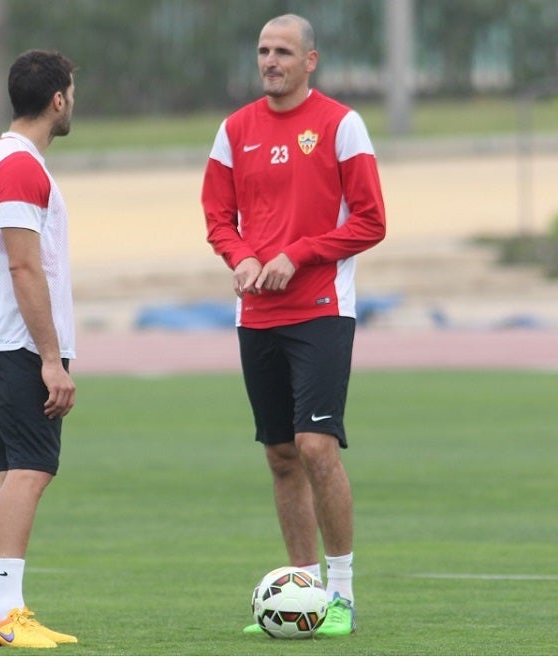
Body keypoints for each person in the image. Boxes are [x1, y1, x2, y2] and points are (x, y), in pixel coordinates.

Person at [201, 14, 386, 637]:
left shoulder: (341, 124)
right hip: (256, 315)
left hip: (321, 309)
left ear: (310, 61)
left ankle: (341, 597)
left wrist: (297, 254)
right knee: (281, 455)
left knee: (315, 446)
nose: (270, 61)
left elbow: (371, 220)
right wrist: (241, 257)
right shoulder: (234, 130)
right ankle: (303, 597)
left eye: (283, 51)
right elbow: (217, 216)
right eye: (263, 50)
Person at [0, 49, 79, 649]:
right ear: (58, 99)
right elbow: (24, 266)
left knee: (11, 472)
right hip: (18, 342)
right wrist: (51, 359)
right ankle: (6, 615)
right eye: (72, 92)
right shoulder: (19, 167)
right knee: (31, 470)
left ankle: (4, 611)